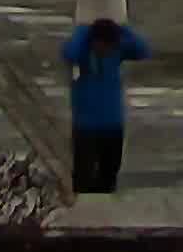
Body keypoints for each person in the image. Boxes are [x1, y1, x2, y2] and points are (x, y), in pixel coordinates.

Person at [59, 15, 150, 193]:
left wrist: (123, 27)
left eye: (110, 46)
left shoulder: (116, 51)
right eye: (103, 46)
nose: (107, 50)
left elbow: (144, 50)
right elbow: (69, 53)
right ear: (94, 41)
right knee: (83, 180)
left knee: (108, 178)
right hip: (86, 127)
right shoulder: (81, 52)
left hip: (113, 125)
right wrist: (83, 31)